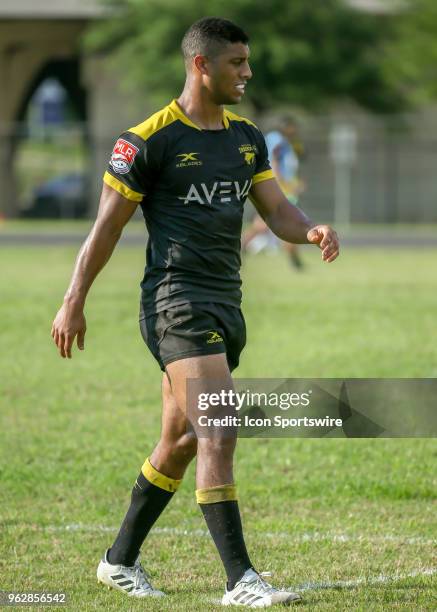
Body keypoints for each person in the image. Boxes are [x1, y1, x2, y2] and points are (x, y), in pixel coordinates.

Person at [51, 17, 339, 608]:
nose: (247, 73)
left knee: (181, 440)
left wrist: (309, 230)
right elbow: (105, 229)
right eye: (236, 63)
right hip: (175, 304)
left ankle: (118, 560)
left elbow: (278, 208)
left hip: (225, 304)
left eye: (248, 62)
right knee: (219, 425)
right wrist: (73, 299)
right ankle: (241, 580)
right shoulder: (148, 139)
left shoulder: (246, 137)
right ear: (201, 65)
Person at [242, 117, 306, 268]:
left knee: (284, 223)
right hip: (279, 189)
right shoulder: (277, 140)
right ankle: (240, 247)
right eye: (292, 126)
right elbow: (274, 162)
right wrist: (283, 185)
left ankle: (295, 260)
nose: (294, 130)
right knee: (267, 224)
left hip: (281, 187)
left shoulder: (279, 140)